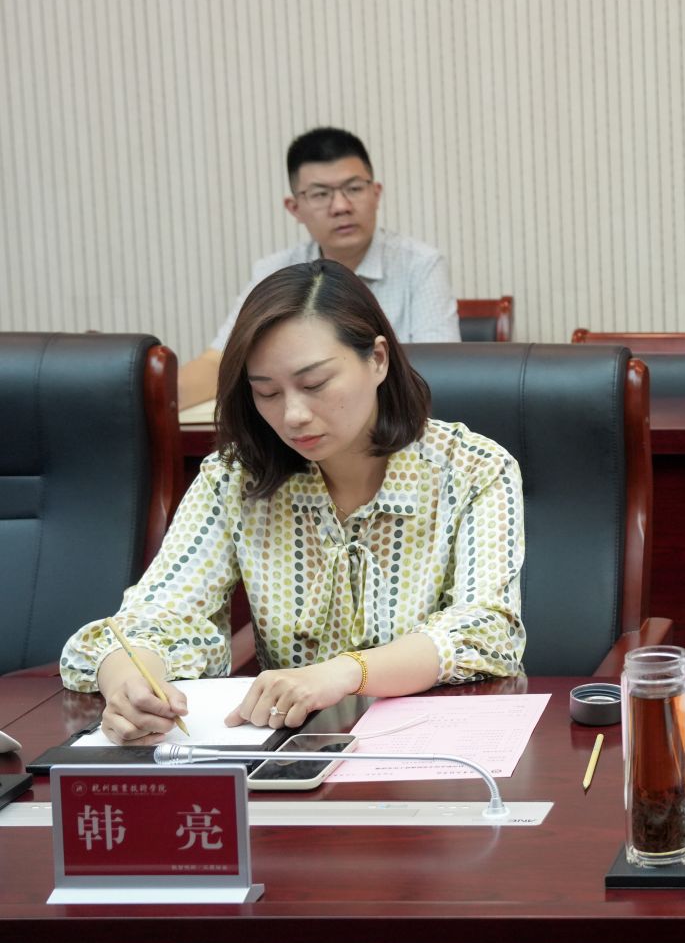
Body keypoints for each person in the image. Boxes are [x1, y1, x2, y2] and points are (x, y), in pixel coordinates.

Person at [63, 260, 524, 742]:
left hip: (436, 747)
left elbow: (486, 630)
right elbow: (156, 616)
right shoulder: (235, 478)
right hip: (291, 755)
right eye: (267, 393)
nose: (293, 415)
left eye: (314, 384)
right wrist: (129, 682)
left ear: (378, 359)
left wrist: (344, 673)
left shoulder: (473, 469)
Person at [178, 127, 459, 408]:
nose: (340, 206)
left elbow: (439, 371)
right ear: (295, 208)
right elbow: (219, 362)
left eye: (354, 189)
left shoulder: (421, 265)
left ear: (376, 193)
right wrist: (160, 400)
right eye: (320, 194)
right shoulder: (274, 271)